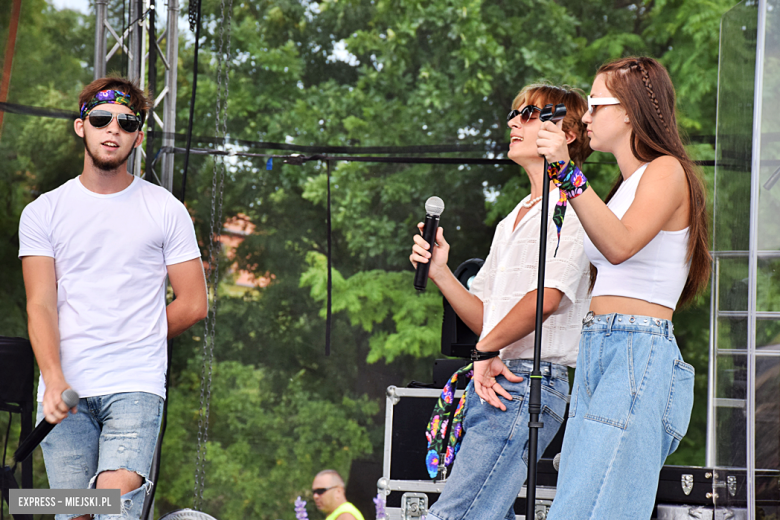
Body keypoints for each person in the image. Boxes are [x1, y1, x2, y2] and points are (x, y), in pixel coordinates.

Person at [18, 76, 208, 520]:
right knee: (74, 513)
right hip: (64, 389)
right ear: (81, 126)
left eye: (126, 123)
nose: (113, 129)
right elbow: (40, 304)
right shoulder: (43, 211)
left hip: (135, 382)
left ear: (138, 136)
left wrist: (134, 338)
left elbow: (194, 303)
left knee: (113, 500)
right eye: (102, 118)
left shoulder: (165, 209)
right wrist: (53, 376)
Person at [409, 84, 592, 520]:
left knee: (454, 514)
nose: (513, 122)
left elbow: (545, 299)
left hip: (529, 378)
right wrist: (440, 271)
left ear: (566, 131)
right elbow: (485, 317)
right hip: (496, 377)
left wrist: (485, 352)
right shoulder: (513, 218)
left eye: (528, 114)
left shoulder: (576, 206)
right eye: (514, 114)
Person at [537, 56, 710, 519]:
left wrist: (568, 172)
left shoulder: (667, 171)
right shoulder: (624, 186)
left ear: (631, 110)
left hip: (636, 344)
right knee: (584, 494)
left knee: (591, 504)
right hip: (601, 345)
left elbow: (620, 245)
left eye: (595, 105)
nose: (586, 117)